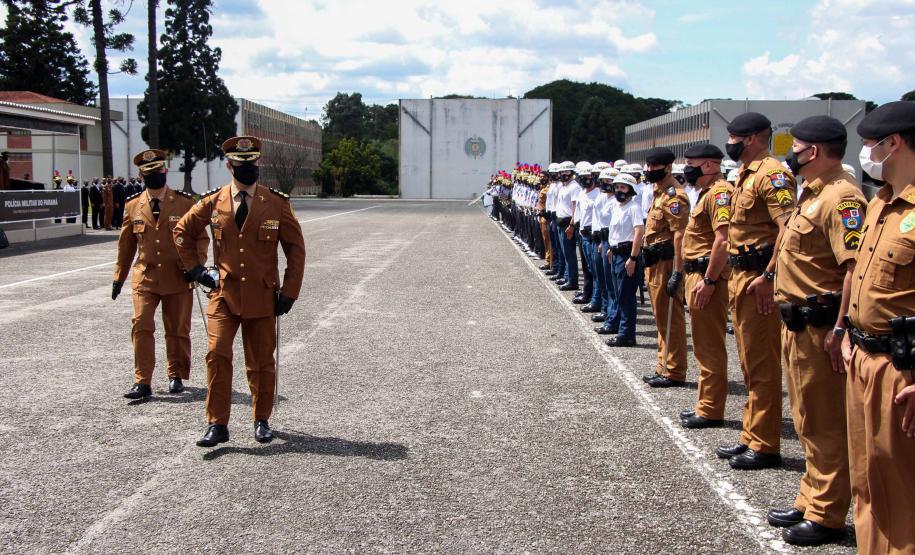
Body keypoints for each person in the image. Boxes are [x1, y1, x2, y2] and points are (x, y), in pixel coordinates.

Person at [765, 115, 864, 546]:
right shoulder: (813, 192)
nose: (792, 154)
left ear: (816, 151)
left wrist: (841, 328)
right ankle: (811, 497)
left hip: (820, 324)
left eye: (797, 147)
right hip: (797, 323)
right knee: (805, 417)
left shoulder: (843, 198)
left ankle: (827, 512)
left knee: (824, 421)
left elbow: (853, 270)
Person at [174, 136, 306, 447]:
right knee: (217, 354)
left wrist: (290, 291)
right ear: (229, 165)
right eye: (242, 164)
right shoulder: (213, 201)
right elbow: (182, 231)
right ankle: (217, 424)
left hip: (262, 295)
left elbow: (296, 249)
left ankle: (261, 419)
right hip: (223, 294)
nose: (249, 169)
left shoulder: (276, 203)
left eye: (253, 163)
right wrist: (196, 270)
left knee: (261, 361)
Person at [843, 101, 915, 554]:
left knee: (901, 486)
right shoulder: (880, 204)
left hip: (901, 369)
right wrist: (848, 333)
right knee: (867, 479)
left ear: (894, 143)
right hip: (863, 356)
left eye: (870, 144)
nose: (866, 153)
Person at [718, 111, 796, 470]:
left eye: (733, 137)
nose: (730, 143)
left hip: (756, 280)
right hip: (739, 276)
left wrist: (769, 276)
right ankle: (751, 434)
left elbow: (788, 229)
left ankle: (765, 443)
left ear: (749, 139)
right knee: (749, 362)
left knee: (762, 363)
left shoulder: (772, 174)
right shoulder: (744, 176)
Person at [113, 149, 208, 400]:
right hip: (146, 276)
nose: (155, 174)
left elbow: (200, 237)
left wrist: (195, 268)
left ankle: (175, 374)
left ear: (165, 170)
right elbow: (126, 245)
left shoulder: (185, 202)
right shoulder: (133, 205)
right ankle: (142, 380)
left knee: (177, 329)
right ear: (142, 175)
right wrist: (118, 277)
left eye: (159, 169)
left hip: (178, 276)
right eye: (149, 172)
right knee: (141, 324)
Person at [678, 144, 733, 429]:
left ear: (710, 165)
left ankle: (711, 409)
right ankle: (705, 403)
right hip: (697, 274)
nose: (687, 168)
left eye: (692, 163)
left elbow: (722, 240)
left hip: (706, 276)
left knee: (710, 346)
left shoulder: (721, 193)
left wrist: (710, 279)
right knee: (702, 345)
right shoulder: (707, 193)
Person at [641, 147, 689, 387]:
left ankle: (674, 370)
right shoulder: (658, 192)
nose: (650, 170)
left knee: (671, 317)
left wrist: (678, 272)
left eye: (654, 167)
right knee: (661, 317)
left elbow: (679, 234)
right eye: (648, 166)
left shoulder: (674, 196)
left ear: (668, 167)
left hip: (667, 263)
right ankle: (664, 365)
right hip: (654, 261)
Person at [603, 173, 645, 347]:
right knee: (618, 294)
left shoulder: (633, 207)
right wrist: (611, 248)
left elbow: (639, 233)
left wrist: (633, 258)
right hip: (616, 253)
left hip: (628, 255)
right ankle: (622, 330)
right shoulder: (616, 206)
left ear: (631, 190)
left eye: (623, 187)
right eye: (617, 187)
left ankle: (626, 334)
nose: (619, 190)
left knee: (626, 296)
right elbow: (614, 232)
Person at [554, 161, 579, 291]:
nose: (564, 174)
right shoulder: (564, 186)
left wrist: (572, 225)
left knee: (569, 253)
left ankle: (573, 281)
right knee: (564, 252)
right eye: (562, 172)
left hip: (567, 223)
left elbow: (575, 207)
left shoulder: (574, 187)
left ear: (572, 172)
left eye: (567, 172)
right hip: (560, 222)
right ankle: (567, 276)